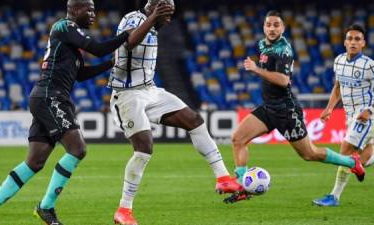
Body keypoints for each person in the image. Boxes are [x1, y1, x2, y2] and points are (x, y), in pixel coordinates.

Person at [0, 0, 133, 224]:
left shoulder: (70, 43)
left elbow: (80, 75)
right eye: (89, 9)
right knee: (77, 149)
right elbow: (97, 49)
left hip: (45, 97)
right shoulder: (64, 27)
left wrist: (111, 64)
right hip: (51, 96)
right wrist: (127, 35)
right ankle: (46, 206)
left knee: (35, 162)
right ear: (75, 10)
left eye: (94, 10)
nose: (93, 14)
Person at [108, 0, 242, 224]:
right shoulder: (134, 18)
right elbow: (129, 43)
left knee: (195, 120)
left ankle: (223, 177)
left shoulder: (152, 27)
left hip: (150, 90)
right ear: (155, 9)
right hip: (127, 94)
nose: (169, 20)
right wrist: (152, 17)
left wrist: (155, 20)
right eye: (167, 14)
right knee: (144, 150)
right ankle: (124, 210)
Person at [225, 11, 366, 204]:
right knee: (237, 139)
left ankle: (352, 162)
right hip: (268, 107)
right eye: (269, 25)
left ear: (282, 28)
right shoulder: (262, 45)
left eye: (276, 25)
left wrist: (257, 69)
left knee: (310, 154)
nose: (272, 29)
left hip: (286, 110)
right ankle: (242, 185)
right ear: (264, 27)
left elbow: (283, 80)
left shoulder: (284, 50)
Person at [312, 24, 374, 207]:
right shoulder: (338, 61)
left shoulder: (369, 65)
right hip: (349, 115)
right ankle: (361, 164)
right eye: (350, 39)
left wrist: (369, 110)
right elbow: (338, 87)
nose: (353, 42)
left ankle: (334, 197)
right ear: (345, 42)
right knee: (364, 156)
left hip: (366, 115)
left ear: (363, 43)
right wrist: (329, 108)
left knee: (346, 149)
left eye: (357, 39)